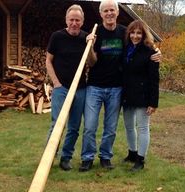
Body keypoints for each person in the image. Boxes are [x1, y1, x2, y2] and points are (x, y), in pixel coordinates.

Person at [79, 0, 161, 172]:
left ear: (117, 12)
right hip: (95, 87)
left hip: (116, 88)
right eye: (106, 10)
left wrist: (157, 52)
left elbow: (141, 45)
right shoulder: (95, 34)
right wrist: (91, 48)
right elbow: (92, 63)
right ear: (101, 14)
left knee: (111, 128)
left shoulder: (125, 33)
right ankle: (87, 158)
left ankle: (106, 157)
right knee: (90, 126)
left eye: (112, 10)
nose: (109, 13)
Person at [46, 5, 88, 171]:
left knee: (74, 126)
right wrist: (56, 82)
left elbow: (92, 61)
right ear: (66, 20)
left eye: (77, 20)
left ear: (82, 21)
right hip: (61, 88)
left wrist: (91, 44)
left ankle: (66, 157)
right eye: (71, 20)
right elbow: (48, 60)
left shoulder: (86, 38)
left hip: (80, 89)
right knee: (57, 123)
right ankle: (48, 157)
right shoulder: (57, 37)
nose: (74, 23)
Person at [122, 20, 159, 171]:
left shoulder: (151, 53)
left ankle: (141, 159)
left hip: (143, 96)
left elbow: (154, 79)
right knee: (129, 126)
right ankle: (132, 153)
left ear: (144, 35)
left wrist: (153, 102)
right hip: (127, 94)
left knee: (143, 127)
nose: (135, 36)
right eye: (132, 32)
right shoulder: (126, 49)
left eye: (138, 33)